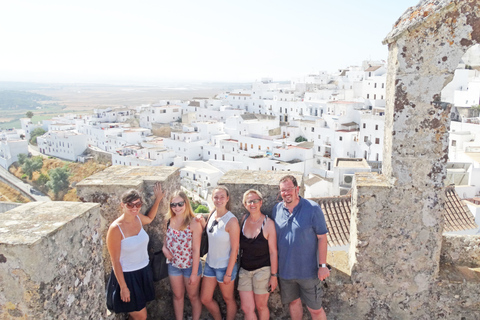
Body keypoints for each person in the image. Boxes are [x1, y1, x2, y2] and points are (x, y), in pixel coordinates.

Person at [271, 175, 330, 320]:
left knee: (315, 309)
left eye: (289, 189)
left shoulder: (312, 208)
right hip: (286, 271)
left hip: (309, 272)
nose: (286, 193)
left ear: (297, 189)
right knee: (293, 303)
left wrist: (322, 265)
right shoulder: (276, 210)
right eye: (283, 191)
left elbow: (322, 238)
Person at [106, 182, 164, 320]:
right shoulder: (116, 228)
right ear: (122, 205)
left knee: (140, 312)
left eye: (138, 205)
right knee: (141, 316)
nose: (134, 208)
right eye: (130, 205)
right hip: (128, 276)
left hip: (143, 271)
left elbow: (149, 219)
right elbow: (115, 261)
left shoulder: (138, 218)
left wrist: (158, 199)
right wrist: (124, 287)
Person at [162, 191, 203, 320]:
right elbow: (165, 241)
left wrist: (194, 273)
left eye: (180, 204)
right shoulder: (168, 220)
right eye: (173, 204)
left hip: (191, 266)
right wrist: (164, 249)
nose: (177, 207)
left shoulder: (193, 223)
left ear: (186, 203)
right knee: (177, 296)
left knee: (193, 296)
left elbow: (197, 250)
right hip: (174, 265)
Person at [200, 185, 240, 320]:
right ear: (212, 198)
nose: (219, 200)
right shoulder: (212, 214)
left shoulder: (232, 221)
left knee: (228, 299)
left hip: (225, 266)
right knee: (205, 298)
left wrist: (228, 273)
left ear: (227, 199)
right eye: (216, 197)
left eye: (222, 197)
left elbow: (235, 249)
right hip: (210, 264)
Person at [238, 189, 278, 320]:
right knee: (246, 308)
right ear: (245, 204)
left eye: (255, 201)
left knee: (261, 306)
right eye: (249, 201)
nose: (252, 204)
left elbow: (273, 252)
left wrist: (274, 276)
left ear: (261, 203)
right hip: (244, 270)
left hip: (263, 271)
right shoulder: (243, 220)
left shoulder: (268, 224)